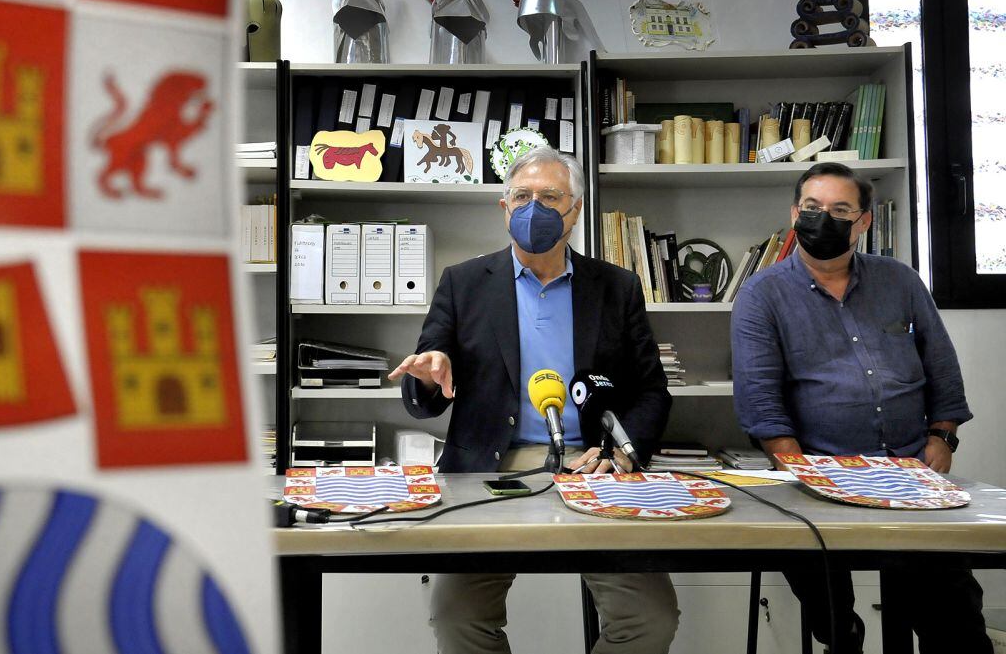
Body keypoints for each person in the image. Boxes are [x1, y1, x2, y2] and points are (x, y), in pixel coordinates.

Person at [388, 146, 679, 654]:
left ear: (576, 208)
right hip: (489, 467)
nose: (534, 209)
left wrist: (622, 455)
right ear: (504, 208)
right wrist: (431, 376)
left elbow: (651, 390)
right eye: (522, 197)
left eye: (550, 196)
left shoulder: (617, 286)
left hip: (592, 465)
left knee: (650, 618)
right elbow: (425, 390)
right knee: (456, 618)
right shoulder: (463, 283)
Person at [731, 162, 991, 653]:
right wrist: (801, 473)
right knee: (830, 613)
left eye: (840, 209)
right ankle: (842, 636)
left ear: (864, 221)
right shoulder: (761, 295)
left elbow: (943, 370)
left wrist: (943, 437)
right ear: (794, 214)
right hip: (817, 477)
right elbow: (760, 401)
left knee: (954, 620)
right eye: (812, 208)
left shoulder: (901, 281)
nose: (822, 219)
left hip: (910, 470)